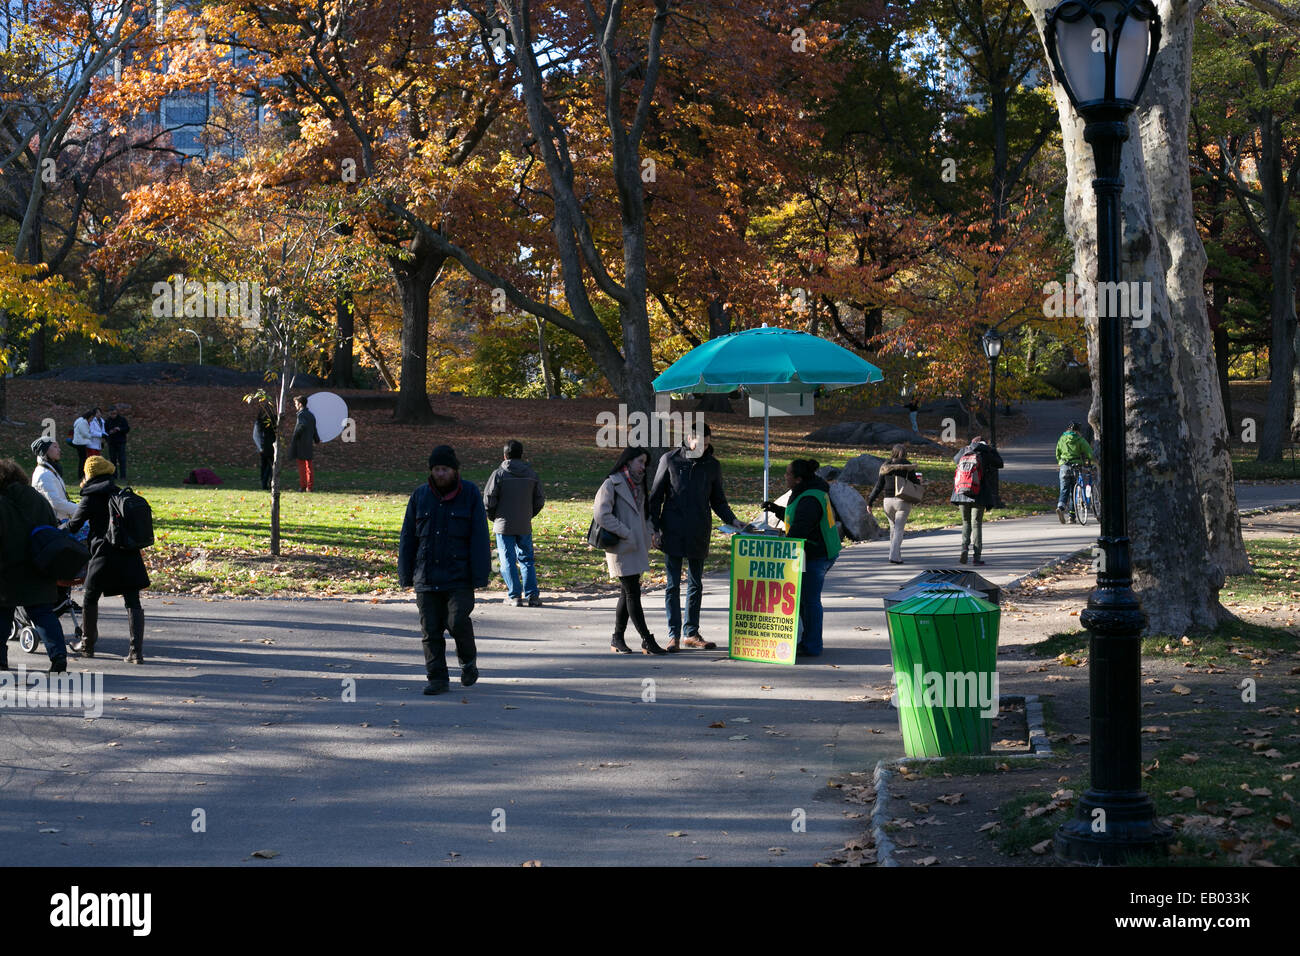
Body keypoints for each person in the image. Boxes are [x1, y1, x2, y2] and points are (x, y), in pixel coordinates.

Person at [398, 444, 491, 696]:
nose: (440, 474)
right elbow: (408, 537)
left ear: (454, 470)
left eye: (445, 469)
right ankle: (437, 678)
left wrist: (480, 574)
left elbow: (479, 536)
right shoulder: (420, 496)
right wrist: (405, 574)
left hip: (459, 576)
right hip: (426, 576)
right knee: (430, 630)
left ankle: (468, 662)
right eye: (436, 469)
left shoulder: (470, 493)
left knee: (457, 621)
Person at [648, 422, 740, 651]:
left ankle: (691, 632)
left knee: (696, 583)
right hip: (672, 529)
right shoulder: (670, 460)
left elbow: (718, 500)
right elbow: (655, 497)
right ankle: (673, 635)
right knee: (672, 585)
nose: (705, 448)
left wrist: (733, 520)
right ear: (689, 439)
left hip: (699, 529)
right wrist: (655, 528)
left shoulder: (712, 465)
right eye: (701, 443)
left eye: (708, 444)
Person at [67, 456, 151, 662]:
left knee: (90, 597)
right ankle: (136, 652)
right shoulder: (118, 493)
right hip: (128, 552)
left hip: (103, 554)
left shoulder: (91, 496)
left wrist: (54, 529)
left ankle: (87, 646)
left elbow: (74, 525)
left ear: (90, 474)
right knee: (133, 601)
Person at [763, 458, 840, 658]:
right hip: (817, 551)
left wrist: (773, 547)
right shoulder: (807, 491)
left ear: (798, 479)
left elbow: (799, 530)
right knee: (805, 599)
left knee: (809, 600)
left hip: (816, 554)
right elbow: (796, 516)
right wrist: (776, 509)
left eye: (788, 474)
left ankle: (812, 645)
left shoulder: (809, 499)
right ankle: (808, 641)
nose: (785, 476)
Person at [593, 446, 666, 655]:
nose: (643, 467)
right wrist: (625, 532)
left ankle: (617, 638)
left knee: (627, 594)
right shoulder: (611, 483)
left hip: (636, 545)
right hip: (620, 546)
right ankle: (647, 640)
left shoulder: (639, 485)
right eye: (640, 462)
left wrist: (652, 532)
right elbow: (601, 514)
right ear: (628, 461)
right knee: (632, 592)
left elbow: (645, 515)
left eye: (645, 463)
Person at [0, 458, 70, 673]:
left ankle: (1, 660)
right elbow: (52, 527)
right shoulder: (37, 499)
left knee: (2, 615)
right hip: (40, 564)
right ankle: (58, 656)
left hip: (7, 569)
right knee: (43, 614)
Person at [483, 440, 545, 607]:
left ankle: (514, 595)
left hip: (503, 524)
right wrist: (528, 515)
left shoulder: (499, 474)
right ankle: (533, 595)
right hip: (524, 524)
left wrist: (494, 516)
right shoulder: (531, 474)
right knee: (527, 559)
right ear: (521, 455)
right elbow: (539, 500)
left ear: (504, 456)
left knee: (507, 559)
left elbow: (488, 500)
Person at [950, 435, 1004, 566]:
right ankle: (976, 557)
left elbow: (955, 460)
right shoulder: (985, 452)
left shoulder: (964, 450)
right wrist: (991, 450)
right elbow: (999, 463)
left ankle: (964, 548)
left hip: (962, 492)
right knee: (976, 524)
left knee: (965, 522)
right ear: (984, 443)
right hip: (978, 493)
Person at [867, 444, 924, 565]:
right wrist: (920, 481)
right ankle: (893, 555)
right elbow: (915, 483)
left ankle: (896, 554)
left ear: (893, 452)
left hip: (887, 502)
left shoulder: (885, 467)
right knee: (899, 529)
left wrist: (870, 502)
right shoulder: (908, 466)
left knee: (893, 528)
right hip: (902, 501)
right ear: (905, 453)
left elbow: (878, 486)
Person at [1055, 420, 1094, 524]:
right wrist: (1093, 461)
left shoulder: (1062, 438)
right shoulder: (1080, 440)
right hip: (1076, 467)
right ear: (1078, 430)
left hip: (1064, 466)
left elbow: (1057, 452)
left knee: (1064, 490)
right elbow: (1089, 453)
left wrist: (1060, 462)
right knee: (1074, 491)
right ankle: (1072, 516)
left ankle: (1061, 507)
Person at [31, 437, 77, 522]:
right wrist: (80, 509)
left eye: (58, 447)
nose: (59, 450)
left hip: (61, 519)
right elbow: (56, 503)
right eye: (55, 447)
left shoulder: (50, 470)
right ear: (44, 451)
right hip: (53, 522)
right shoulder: (44, 474)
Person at [289, 395, 320, 492]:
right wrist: (316, 439)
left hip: (301, 443)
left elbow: (301, 426)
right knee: (309, 466)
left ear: (300, 404)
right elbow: (314, 429)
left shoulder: (301, 415)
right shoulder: (311, 415)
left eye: (296, 403)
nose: (295, 405)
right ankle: (310, 487)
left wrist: (295, 436)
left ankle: (303, 486)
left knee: (302, 466)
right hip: (308, 443)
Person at [104, 404, 131, 482]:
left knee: (122, 459)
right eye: (111, 414)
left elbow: (127, 429)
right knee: (113, 459)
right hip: (111, 442)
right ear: (109, 413)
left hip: (121, 442)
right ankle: (114, 475)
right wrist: (110, 433)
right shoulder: (107, 421)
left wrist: (120, 429)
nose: (113, 415)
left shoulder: (122, 419)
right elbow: (105, 432)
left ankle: (123, 476)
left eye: (114, 413)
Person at [255, 402, 277, 491]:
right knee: (269, 466)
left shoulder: (259, 421)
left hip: (264, 446)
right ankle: (267, 482)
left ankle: (264, 483)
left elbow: (256, 435)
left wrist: (260, 447)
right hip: (269, 446)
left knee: (265, 466)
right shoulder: (273, 421)